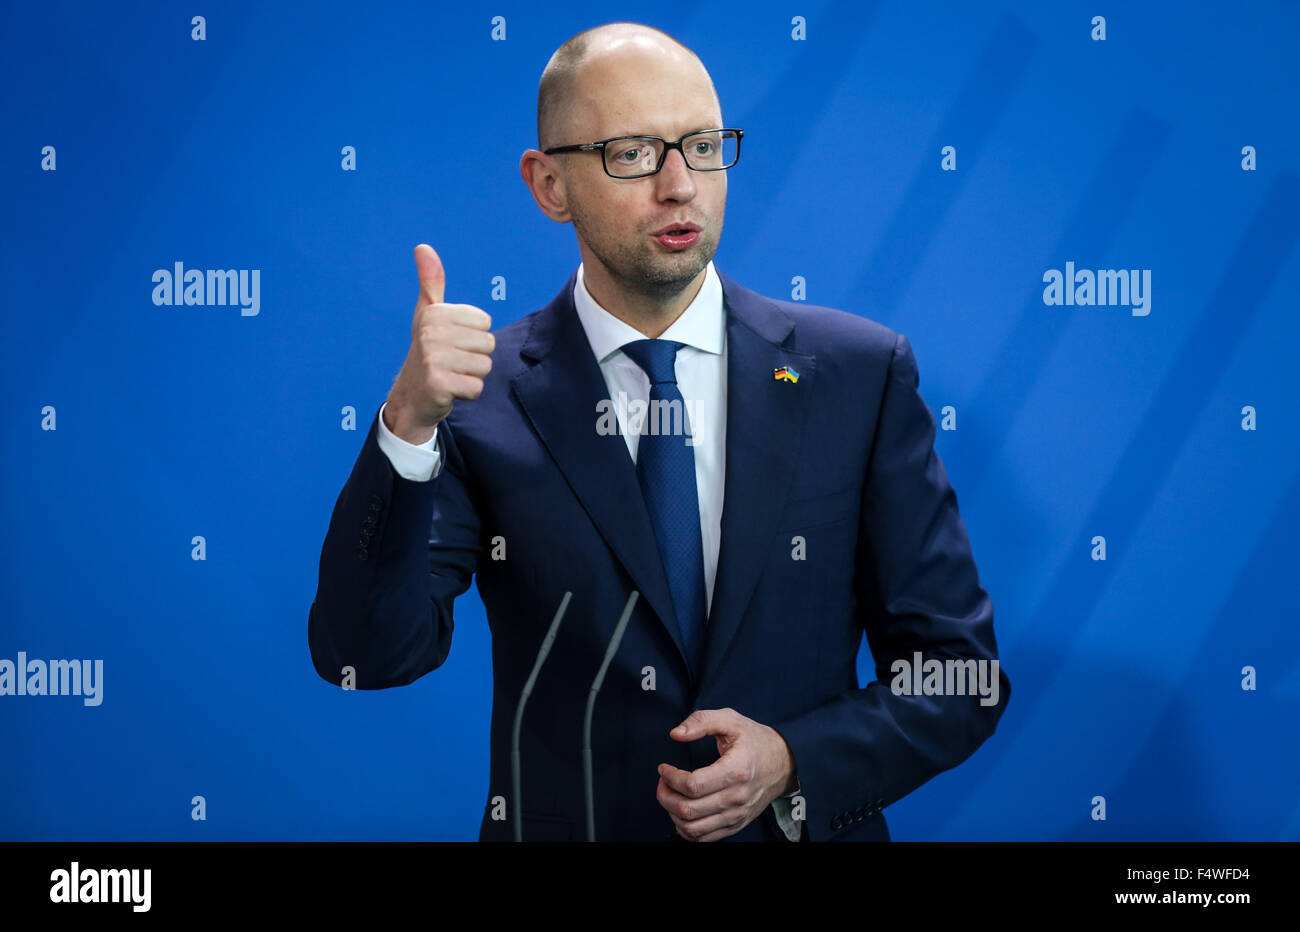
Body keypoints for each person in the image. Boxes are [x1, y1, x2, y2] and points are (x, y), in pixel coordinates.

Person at [308, 21, 1009, 842]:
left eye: (703, 146)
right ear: (548, 185)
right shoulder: (476, 399)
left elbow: (959, 680)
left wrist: (792, 759)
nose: (680, 185)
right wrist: (407, 427)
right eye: (634, 152)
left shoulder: (856, 375)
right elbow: (369, 656)